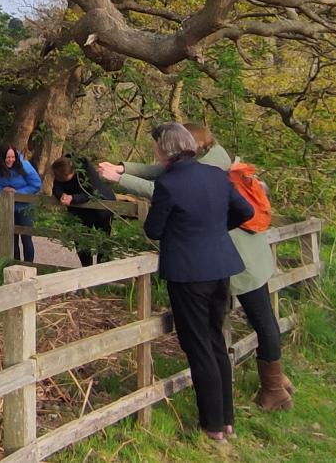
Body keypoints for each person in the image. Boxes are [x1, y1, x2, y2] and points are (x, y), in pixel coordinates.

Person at [99, 122, 292, 411]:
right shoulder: (209, 157)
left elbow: (162, 187)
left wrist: (120, 180)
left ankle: (274, 389)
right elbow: (162, 172)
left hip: (240, 260)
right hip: (235, 257)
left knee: (259, 322)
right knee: (230, 329)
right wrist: (124, 169)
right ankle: (272, 385)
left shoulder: (211, 166)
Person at [137, 122, 254, 442]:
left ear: (164, 150)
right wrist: (215, 229)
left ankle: (212, 424)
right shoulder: (217, 175)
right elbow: (245, 210)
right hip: (220, 269)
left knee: (198, 345)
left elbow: (154, 230)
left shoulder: (169, 184)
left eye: (157, 147)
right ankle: (226, 420)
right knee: (215, 342)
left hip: (189, 274)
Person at [49, 156, 116, 266]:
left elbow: (92, 193)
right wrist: (61, 195)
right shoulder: (60, 168)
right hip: (79, 212)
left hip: (101, 207)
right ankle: (86, 269)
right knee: (80, 239)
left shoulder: (86, 171)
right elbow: (57, 187)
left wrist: (73, 198)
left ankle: (104, 269)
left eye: (65, 179)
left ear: (71, 173)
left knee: (103, 239)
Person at [0, 145, 43, 263]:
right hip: (7, 206)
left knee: (26, 237)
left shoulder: (24, 165)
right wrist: (0, 190)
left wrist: (17, 193)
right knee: (11, 237)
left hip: (24, 206)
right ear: (1, 158)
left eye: (12, 157)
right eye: (7, 157)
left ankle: (28, 266)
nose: (10, 160)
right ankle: (13, 264)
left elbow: (36, 184)